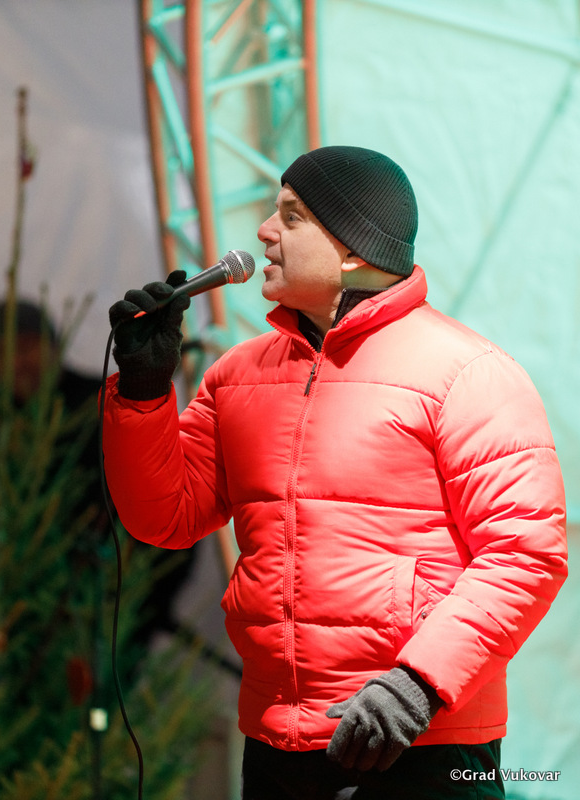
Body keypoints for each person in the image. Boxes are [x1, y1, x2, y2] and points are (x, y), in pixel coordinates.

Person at [102, 145, 567, 799]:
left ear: (353, 248)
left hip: (421, 740)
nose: (265, 231)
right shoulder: (237, 376)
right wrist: (144, 392)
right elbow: (163, 518)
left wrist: (417, 685)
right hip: (276, 746)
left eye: (291, 216)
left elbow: (525, 554)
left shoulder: (469, 374)